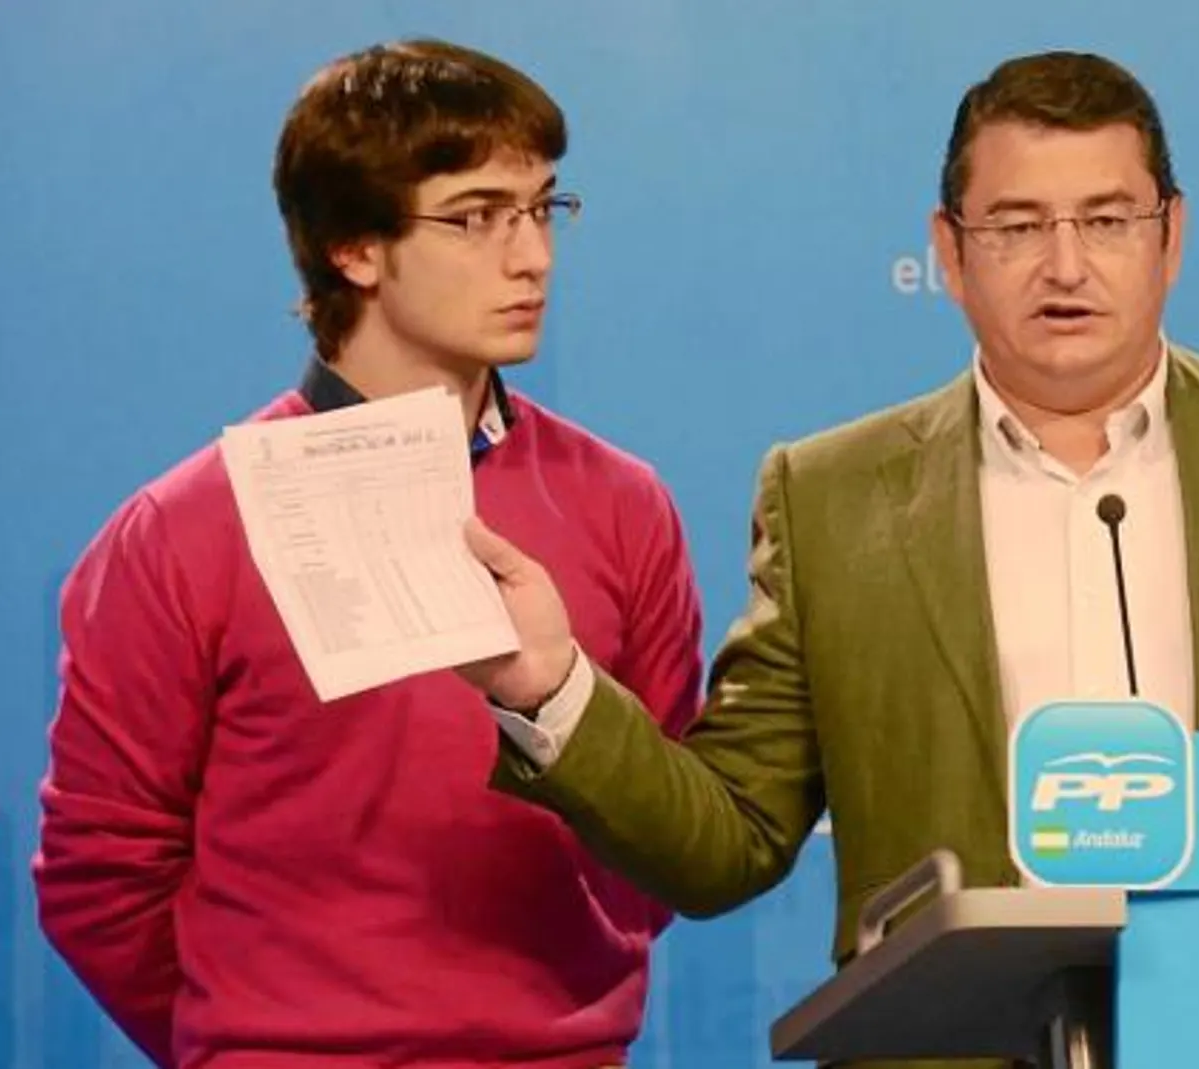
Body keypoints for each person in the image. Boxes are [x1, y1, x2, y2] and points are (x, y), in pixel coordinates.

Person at [458, 50, 1199, 1069]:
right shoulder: (829, 496)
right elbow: (726, 843)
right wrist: (551, 691)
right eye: (1019, 227)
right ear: (950, 248)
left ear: (1171, 235)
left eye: (1107, 219)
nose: (1065, 265)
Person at [34, 39, 703, 1069]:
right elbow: (102, 879)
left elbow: (670, 829)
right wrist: (255, 1035)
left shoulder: (625, 506)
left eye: (542, 209)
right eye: (478, 217)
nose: (532, 257)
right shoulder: (182, 531)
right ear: (354, 246)